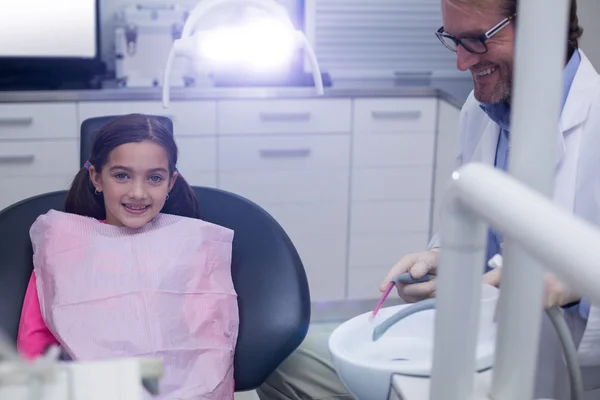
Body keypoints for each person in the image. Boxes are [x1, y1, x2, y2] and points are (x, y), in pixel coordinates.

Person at [257, 0, 600, 399]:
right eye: (453, 39)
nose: (461, 63)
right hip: (460, 341)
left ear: (546, 26)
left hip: (548, 372)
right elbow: (472, 222)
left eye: (476, 40)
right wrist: (441, 257)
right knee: (284, 363)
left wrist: (575, 281)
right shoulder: (480, 110)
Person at [17, 114, 239, 399]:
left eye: (154, 178)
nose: (138, 192)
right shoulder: (63, 248)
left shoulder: (192, 248)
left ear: (171, 182)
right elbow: (35, 343)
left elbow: (213, 345)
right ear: (96, 177)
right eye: (122, 175)